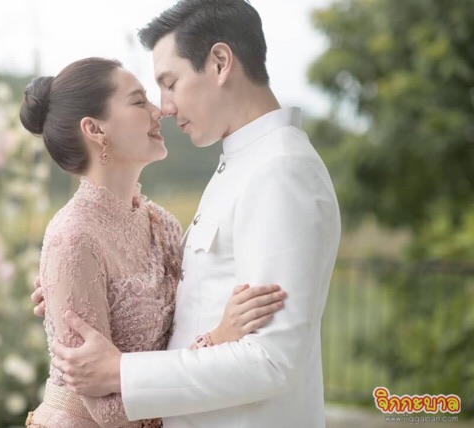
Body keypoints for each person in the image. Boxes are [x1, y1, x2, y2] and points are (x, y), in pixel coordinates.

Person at [34, 1, 342, 427]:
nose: (165, 107)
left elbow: (272, 360)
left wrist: (121, 372)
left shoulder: (280, 171)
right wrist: (76, 281)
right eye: (148, 95)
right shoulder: (242, 164)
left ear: (220, 63)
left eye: (170, 83)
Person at [20, 57, 287, 428]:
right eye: (138, 101)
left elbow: (188, 319)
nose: (159, 111)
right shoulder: (72, 237)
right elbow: (108, 410)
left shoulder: (163, 225)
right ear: (95, 129)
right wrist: (218, 340)